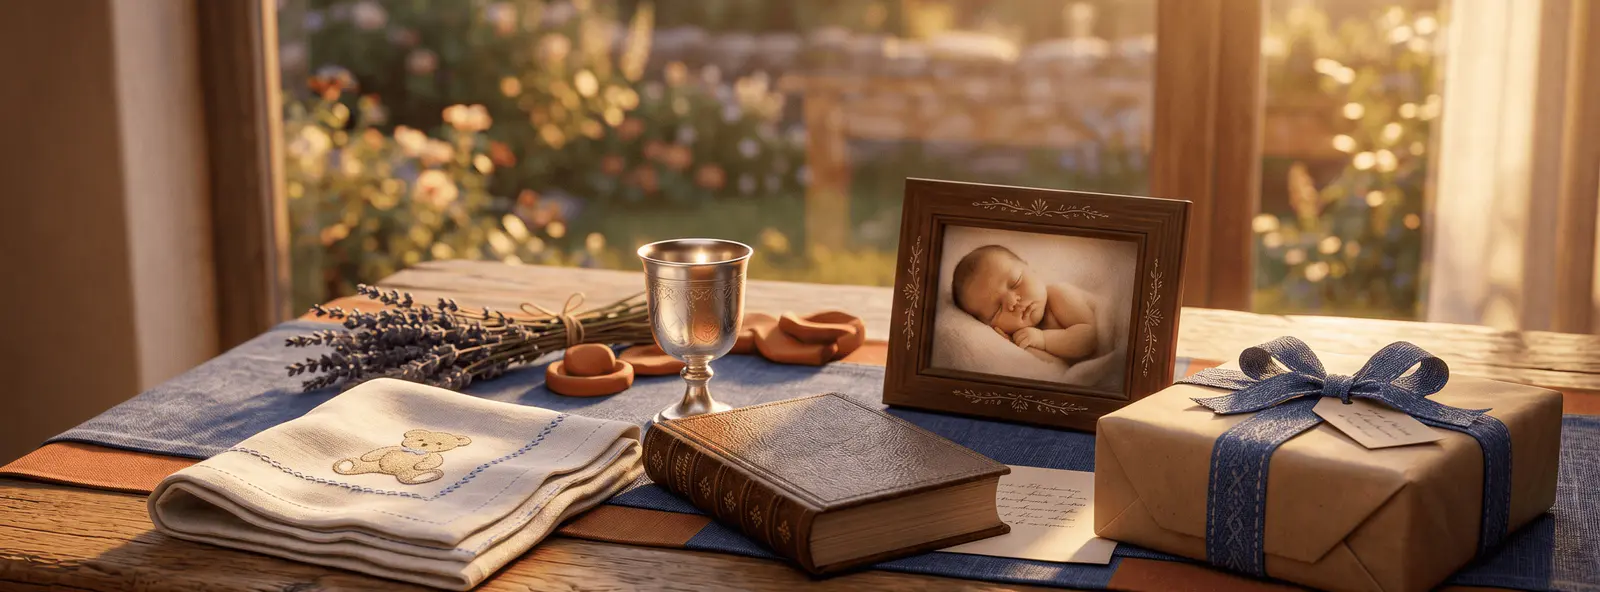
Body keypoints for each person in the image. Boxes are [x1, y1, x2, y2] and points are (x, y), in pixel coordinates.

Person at [951, 245, 1097, 363]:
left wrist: (1043, 339)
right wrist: (1015, 346)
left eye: (1015, 282)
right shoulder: (1023, 336)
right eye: (997, 309)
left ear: (1031, 269)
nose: (1012, 302)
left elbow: (1090, 338)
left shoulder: (1059, 294)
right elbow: (1057, 369)